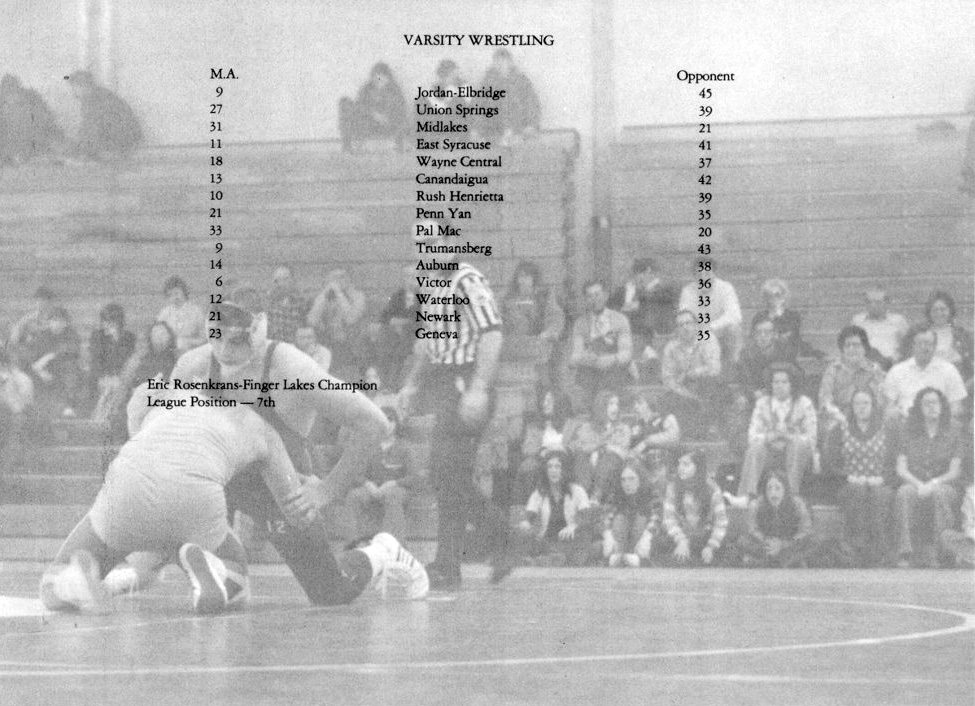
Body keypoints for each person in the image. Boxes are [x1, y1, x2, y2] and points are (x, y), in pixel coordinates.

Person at [39, 388, 427, 613]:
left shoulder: (169, 396)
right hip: (199, 496)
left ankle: (72, 582)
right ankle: (225, 578)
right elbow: (293, 502)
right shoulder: (261, 426)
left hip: (127, 485)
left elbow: (142, 443)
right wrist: (319, 495)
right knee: (223, 554)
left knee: (58, 576)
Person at [144, 284, 395, 607]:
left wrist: (327, 490)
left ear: (258, 329)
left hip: (280, 484)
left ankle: (382, 552)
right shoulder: (193, 366)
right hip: (222, 478)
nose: (224, 351)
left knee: (331, 592)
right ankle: (228, 577)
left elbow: (374, 424)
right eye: (217, 338)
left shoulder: (290, 367)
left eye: (236, 341)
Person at [398, 220, 509, 589]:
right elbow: (426, 345)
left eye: (431, 242)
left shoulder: (466, 280)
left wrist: (478, 388)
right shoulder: (430, 286)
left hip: (468, 378)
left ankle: (448, 565)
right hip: (445, 382)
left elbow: (492, 334)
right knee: (443, 474)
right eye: (419, 245)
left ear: (447, 241)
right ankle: (503, 538)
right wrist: (411, 384)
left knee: (449, 473)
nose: (425, 251)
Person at [824, 388, 895, 567]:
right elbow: (829, 463)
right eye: (857, 403)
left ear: (873, 406)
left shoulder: (886, 429)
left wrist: (882, 479)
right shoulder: (839, 429)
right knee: (858, 492)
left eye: (866, 403)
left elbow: (895, 462)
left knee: (879, 495)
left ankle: (879, 551)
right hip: (849, 483)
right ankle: (856, 549)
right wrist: (848, 477)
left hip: (879, 482)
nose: (861, 407)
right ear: (851, 406)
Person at [893, 387, 962, 568]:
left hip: (944, 483)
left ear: (942, 405)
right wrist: (919, 484)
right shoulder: (908, 430)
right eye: (927, 403)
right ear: (919, 407)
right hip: (915, 482)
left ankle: (943, 552)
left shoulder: (954, 429)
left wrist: (933, 483)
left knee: (940, 493)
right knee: (904, 492)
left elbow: (954, 471)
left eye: (935, 402)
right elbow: (901, 468)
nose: (932, 406)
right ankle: (905, 552)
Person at [736, 363, 817, 502]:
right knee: (755, 447)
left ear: (792, 384)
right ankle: (746, 496)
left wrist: (789, 436)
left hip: (796, 454)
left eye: (784, 382)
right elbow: (752, 436)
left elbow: (811, 439)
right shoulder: (762, 403)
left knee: (798, 445)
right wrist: (771, 436)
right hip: (769, 453)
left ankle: (791, 496)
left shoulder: (804, 404)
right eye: (776, 382)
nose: (779, 386)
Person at [344, 408, 421, 540]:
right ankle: (355, 543)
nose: (387, 425)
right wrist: (367, 484)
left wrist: (393, 483)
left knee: (393, 496)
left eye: (390, 420)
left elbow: (413, 477)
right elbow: (357, 473)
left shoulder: (405, 447)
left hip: (397, 489)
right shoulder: (369, 446)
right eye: (382, 420)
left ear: (396, 424)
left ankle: (393, 545)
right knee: (354, 496)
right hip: (372, 488)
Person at [515, 451, 594, 567]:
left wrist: (573, 526)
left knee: (582, 536)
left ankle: (543, 560)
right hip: (547, 541)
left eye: (557, 467)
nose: (553, 470)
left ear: (564, 470)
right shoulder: (539, 492)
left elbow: (586, 516)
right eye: (550, 467)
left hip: (569, 539)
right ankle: (550, 559)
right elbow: (530, 514)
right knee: (526, 536)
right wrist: (525, 522)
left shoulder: (577, 490)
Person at [656, 449, 728, 565]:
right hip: (681, 537)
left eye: (686, 464)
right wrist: (682, 540)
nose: (680, 468)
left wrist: (711, 546)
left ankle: (692, 560)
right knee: (659, 542)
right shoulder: (672, 487)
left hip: (703, 538)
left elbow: (721, 522)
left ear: (698, 467)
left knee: (725, 547)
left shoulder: (712, 489)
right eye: (679, 463)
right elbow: (669, 520)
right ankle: (689, 560)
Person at [569, 280, 633, 408]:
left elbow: (626, 354)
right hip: (590, 371)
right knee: (584, 378)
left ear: (605, 296)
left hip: (614, 369)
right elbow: (575, 356)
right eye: (590, 296)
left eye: (597, 294)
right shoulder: (580, 323)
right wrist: (586, 358)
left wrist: (611, 359)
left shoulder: (620, 319)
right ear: (586, 300)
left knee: (614, 378)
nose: (594, 299)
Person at [660, 309, 722, 438]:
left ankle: (710, 428)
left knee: (715, 387)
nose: (685, 327)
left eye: (688, 323)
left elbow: (714, 368)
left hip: (705, 387)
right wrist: (688, 394)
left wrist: (694, 373)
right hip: (684, 392)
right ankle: (689, 431)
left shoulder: (707, 339)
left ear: (696, 325)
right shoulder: (671, 348)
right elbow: (668, 380)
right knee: (666, 399)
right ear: (676, 330)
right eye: (680, 325)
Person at [883, 328, 967, 422]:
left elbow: (956, 406)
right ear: (912, 346)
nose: (923, 347)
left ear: (935, 346)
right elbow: (889, 406)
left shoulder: (949, 370)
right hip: (906, 424)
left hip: (939, 424)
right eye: (919, 343)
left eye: (928, 343)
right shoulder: (897, 371)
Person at [736, 472, 816, 568]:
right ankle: (782, 562)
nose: (773, 493)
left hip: (789, 545)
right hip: (766, 545)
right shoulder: (756, 505)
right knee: (742, 541)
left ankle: (768, 562)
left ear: (785, 489)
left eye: (777, 488)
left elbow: (805, 530)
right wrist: (767, 542)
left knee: (814, 542)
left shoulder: (798, 504)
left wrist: (782, 545)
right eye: (769, 489)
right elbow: (753, 530)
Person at [510, 384, 573, 504]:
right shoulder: (534, 426)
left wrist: (564, 449)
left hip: (566, 461)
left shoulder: (571, 425)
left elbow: (578, 443)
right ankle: (533, 505)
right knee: (528, 466)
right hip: (541, 461)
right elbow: (527, 448)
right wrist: (542, 451)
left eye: (549, 401)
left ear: (558, 403)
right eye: (544, 400)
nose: (545, 404)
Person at [818, 325, 886, 433]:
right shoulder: (833, 370)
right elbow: (825, 401)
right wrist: (841, 418)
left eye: (856, 345)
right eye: (847, 345)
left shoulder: (873, 370)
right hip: (839, 418)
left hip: (868, 418)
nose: (851, 349)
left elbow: (880, 401)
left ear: (864, 348)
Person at [66, 70, 142, 159]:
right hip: (124, 139)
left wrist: (81, 149)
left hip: (121, 142)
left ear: (83, 86)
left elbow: (92, 129)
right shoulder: (97, 95)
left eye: (74, 87)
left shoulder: (95, 100)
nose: (73, 92)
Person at [677, 261, 742, 365]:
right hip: (697, 336)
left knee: (733, 329)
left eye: (707, 274)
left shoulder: (725, 288)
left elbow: (735, 315)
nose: (704, 278)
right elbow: (683, 316)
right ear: (694, 277)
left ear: (714, 274)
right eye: (699, 275)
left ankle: (733, 365)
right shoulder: (688, 291)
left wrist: (711, 327)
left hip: (720, 334)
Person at [306, 268, 366, 378]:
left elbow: (351, 319)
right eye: (334, 278)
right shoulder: (322, 297)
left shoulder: (358, 296)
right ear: (327, 280)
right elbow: (312, 321)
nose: (338, 281)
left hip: (351, 347)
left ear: (349, 280)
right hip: (326, 345)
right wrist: (324, 294)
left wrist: (339, 293)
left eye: (342, 277)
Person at [25, 306, 83, 418]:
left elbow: (72, 351)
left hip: (64, 370)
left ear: (66, 323)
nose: (57, 324)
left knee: (71, 368)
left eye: (60, 321)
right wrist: (41, 372)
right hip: (44, 371)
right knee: (28, 374)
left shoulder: (71, 334)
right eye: (54, 320)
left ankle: (69, 406)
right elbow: (32, 359)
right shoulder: (42, 335)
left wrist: (48, 356)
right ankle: (32, 410)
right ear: (49, 322)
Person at [905, 290, 973, 384]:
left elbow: (969, 363)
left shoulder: (962, 334)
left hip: (955, 381)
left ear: (950, 311)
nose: (939, 313)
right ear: (929, 312)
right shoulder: (919, 332)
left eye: (943, 309)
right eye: (935, 310)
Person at [339, 62, 408, 152]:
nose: (378, 79)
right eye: (375, 76)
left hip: (388, 124)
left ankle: (397, 144)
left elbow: (400, 110)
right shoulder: (366, 88)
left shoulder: (394, 89)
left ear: (388, 77)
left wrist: (385, 115)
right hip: (368, 123)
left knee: (398, 121)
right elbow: (359, 106)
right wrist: (373, 114)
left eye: (382, 76)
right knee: (345, 102)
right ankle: (347, 145)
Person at [601, 463, 659, 567]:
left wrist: (647, 537)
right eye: (623, 480)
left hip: (644, 537)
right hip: (621, 538)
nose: (627, 484)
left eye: (631, 479)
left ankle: (636, 559)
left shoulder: (651, 492)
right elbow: (606, 516)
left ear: (640, 479)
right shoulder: (616, 493)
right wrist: (607, 535)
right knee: (619, 519)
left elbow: (657, 516)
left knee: (641, 519)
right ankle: (619, 557)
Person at [478, 49, 541, 142]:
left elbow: (532, 104)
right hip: (495, 132)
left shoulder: (522, 81)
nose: (501, 65)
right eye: (497, 62)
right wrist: (477, 130)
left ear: (510, 62)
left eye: (504, 61)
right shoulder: (487, 83)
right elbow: (479, 107)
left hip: (519, 131)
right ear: (494, 64)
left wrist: (531, 125)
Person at [0, 73, 64, 164]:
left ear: (18, 90)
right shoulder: (4, 107)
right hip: (14, 150)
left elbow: (47, 122)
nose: (11, 98)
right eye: (8, 95)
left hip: (37, 146)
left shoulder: (32, 101)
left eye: (13, 93)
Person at [89, 303, 136, 423]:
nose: (105, 324)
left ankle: (101, 419)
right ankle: (103, 419)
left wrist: (115, 339)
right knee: (111, 388)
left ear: (118, 322)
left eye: (110, 321)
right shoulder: (97, 336)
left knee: (116, 387)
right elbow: (96, 361)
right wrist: (104, 377)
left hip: (122, 378)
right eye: (104, 321)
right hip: (103, 377)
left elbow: (126, 361)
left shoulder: (129, 338)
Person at [851, 288, 910, 370]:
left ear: (887, 303)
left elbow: (907, 345)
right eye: (869, 302)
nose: (873, 305)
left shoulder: (898, 321)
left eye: (877, 302)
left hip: (891, 365)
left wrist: (895, 360)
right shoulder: (857, 321)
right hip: (864, 366)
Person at [156, 276, 206, 356]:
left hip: (192, 354)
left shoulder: (196, 311)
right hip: (169, 355)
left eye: (176, 293)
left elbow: (205, 338)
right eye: (170, 295)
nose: (175, 297)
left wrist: (188, 342)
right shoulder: (164, 313)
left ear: (184, 292)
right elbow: (157, 337)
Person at [266, 265, 307, 344]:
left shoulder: (301, 301)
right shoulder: (268, 302)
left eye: (285, 279)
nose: (281, 284)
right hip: (274, 346)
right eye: (276, 281)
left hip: (295, 346)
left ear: (292, 281)